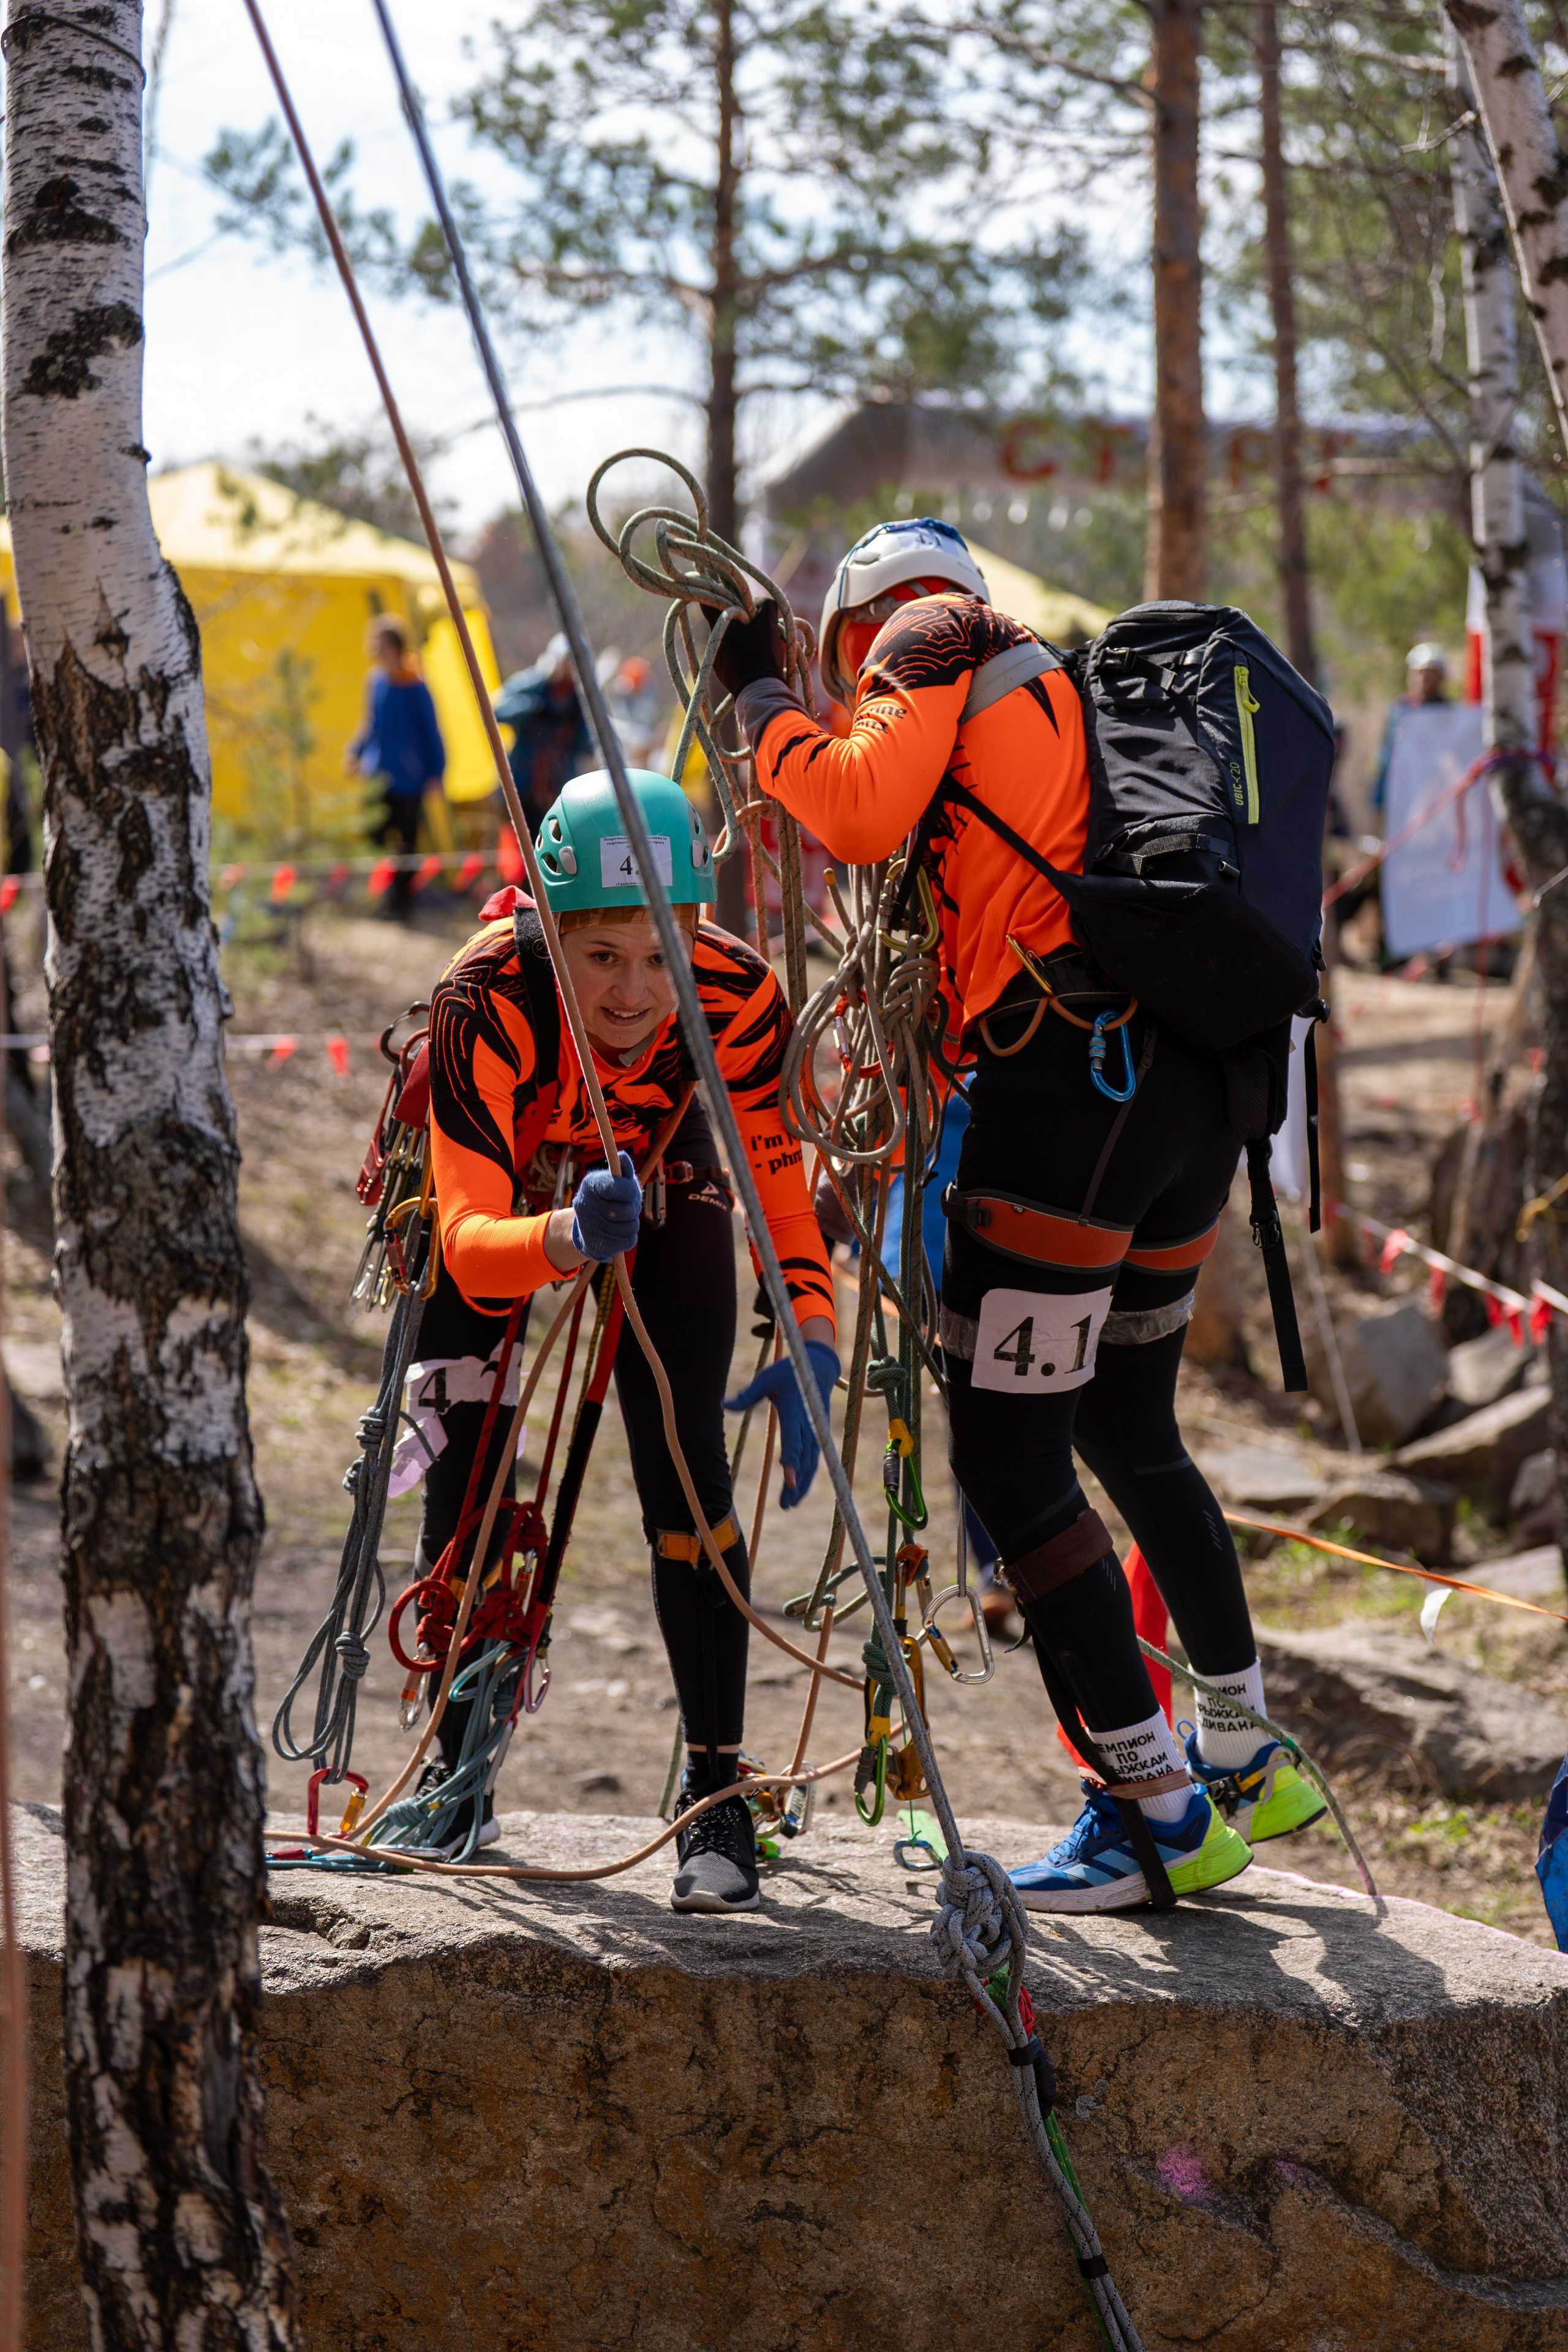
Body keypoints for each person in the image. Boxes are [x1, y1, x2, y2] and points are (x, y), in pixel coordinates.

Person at [711, 514, 1322, 1915]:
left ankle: (1149, 1809)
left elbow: (850, 808)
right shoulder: (1048, 696)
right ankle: (1238, 1751)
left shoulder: (929, 635)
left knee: (1003, 1449)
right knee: (1121, 1421)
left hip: (1068, 1092)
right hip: (1175, 1092)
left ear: (857, 622)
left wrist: (758, 699)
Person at [415, 768, 838, 1912]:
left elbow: (778, 1180)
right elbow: (468, 1244)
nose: (637, 991)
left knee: (687, 1459)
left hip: (656, 1155)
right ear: (551, 933)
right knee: (467, 1458)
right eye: (601, 954)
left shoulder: (734, 994)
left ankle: (718, 1795)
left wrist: (811, 1328)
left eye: (661, 954)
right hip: (508, 1183)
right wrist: (562, 1234)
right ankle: (456, 1772)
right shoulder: (485, 997)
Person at [345, 616, 446, 920]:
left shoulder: (414, 683)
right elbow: (371, 722)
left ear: (393, 646)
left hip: (409, 777)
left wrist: (436, 772)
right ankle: (376, 897)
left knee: (406, 843)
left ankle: (403, 904)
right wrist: (356, 751)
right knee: (375, 835)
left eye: (379, 642)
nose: (373, 647)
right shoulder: (376, 681)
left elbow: (430, 729)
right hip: (378, 773)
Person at [494, 634, 595, 829]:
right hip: (524, 785)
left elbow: (590, 746)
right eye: (567, 661)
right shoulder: (535, 685)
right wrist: (533, 708)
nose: (570, 668)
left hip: (558, 789)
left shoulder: (581, 699)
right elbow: (498, 710)